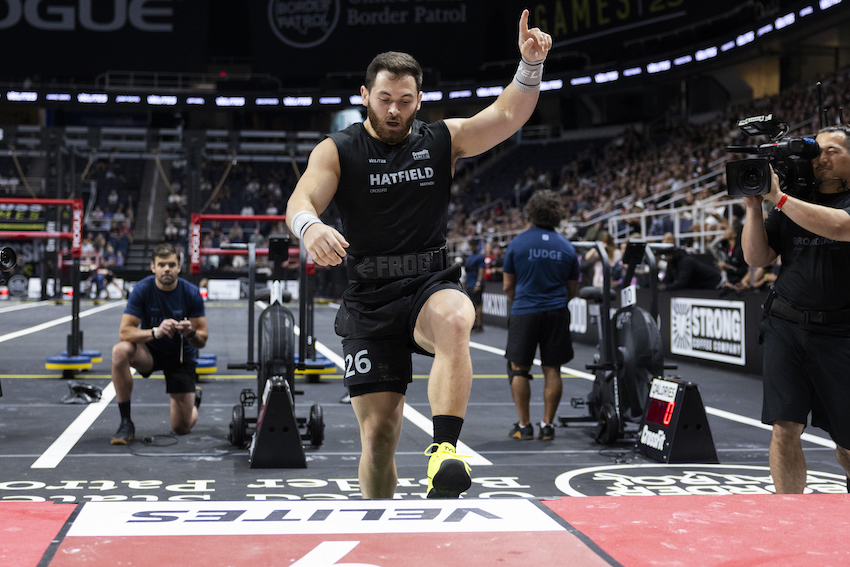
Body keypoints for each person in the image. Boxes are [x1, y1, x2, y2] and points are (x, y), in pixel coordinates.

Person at [286, 10, 551, 499]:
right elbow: (301, 199)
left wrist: (530, 66)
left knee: (456, 316)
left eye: (405, 101)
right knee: (379, 437)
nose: (394, 110)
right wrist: (310, 226)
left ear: (419, 100)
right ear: (365, 96)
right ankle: (380, 524)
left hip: (428, 283)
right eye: (384, 99)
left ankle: (444, 452)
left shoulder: (441, 139)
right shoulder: (337, 149)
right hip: (369, 298)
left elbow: (506, 116)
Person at [741, 124, 850, 494]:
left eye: (833, 150)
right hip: (785, 325)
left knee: (848, 444)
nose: (821, 157)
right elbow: (756, 257)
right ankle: (790, 518)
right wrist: (754, 207)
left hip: (842, 332)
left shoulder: (793, 201)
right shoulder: (793, 199)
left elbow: (840, 227)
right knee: (784, 428)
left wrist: (778, 197)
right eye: (816, 150)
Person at [109, 243, 208, 444]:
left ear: (179, 267)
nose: (167, 269)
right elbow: (124, 332)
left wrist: (191, 332)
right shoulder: (143, 289)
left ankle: (193, 401)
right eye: (162, 265)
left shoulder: (190, 293)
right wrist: (155, 332)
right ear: (153, 267)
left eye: (171, 265)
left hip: (180, 356)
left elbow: (202, 340)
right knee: (119, 351)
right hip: (150, 352)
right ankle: (126, 422)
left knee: (181, 428)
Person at [502, 190, 579, 441]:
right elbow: (572, 290)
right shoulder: (566, 246)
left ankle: (524, 426)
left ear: (531, 212)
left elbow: (507, 286)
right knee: (552, 369)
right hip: (556, 312)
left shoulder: (518, 243)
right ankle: (547, 426)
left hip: (525, 311)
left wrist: (522, 303)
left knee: (518, 369)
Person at [658, 247, 723, 291]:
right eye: (666, 255)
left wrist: (665, 287)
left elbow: (683, 283)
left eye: (669, 254)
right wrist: (663, 286)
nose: (667, 257)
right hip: (698, 287)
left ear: (675, 253)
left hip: (713, 284)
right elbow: (667, 280)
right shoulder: (671, 263)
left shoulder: (686, 261)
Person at [464, 239, 486, 333]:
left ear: (476, 245)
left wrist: (478, 284)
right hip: (469, 283)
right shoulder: (469, 257)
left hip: (475, 284)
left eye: (472, 245)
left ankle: (479, 325)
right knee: (472, 305)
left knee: (478, 304)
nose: (471, 247)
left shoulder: (480, 257)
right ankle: (474, 324)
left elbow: (481, 271)